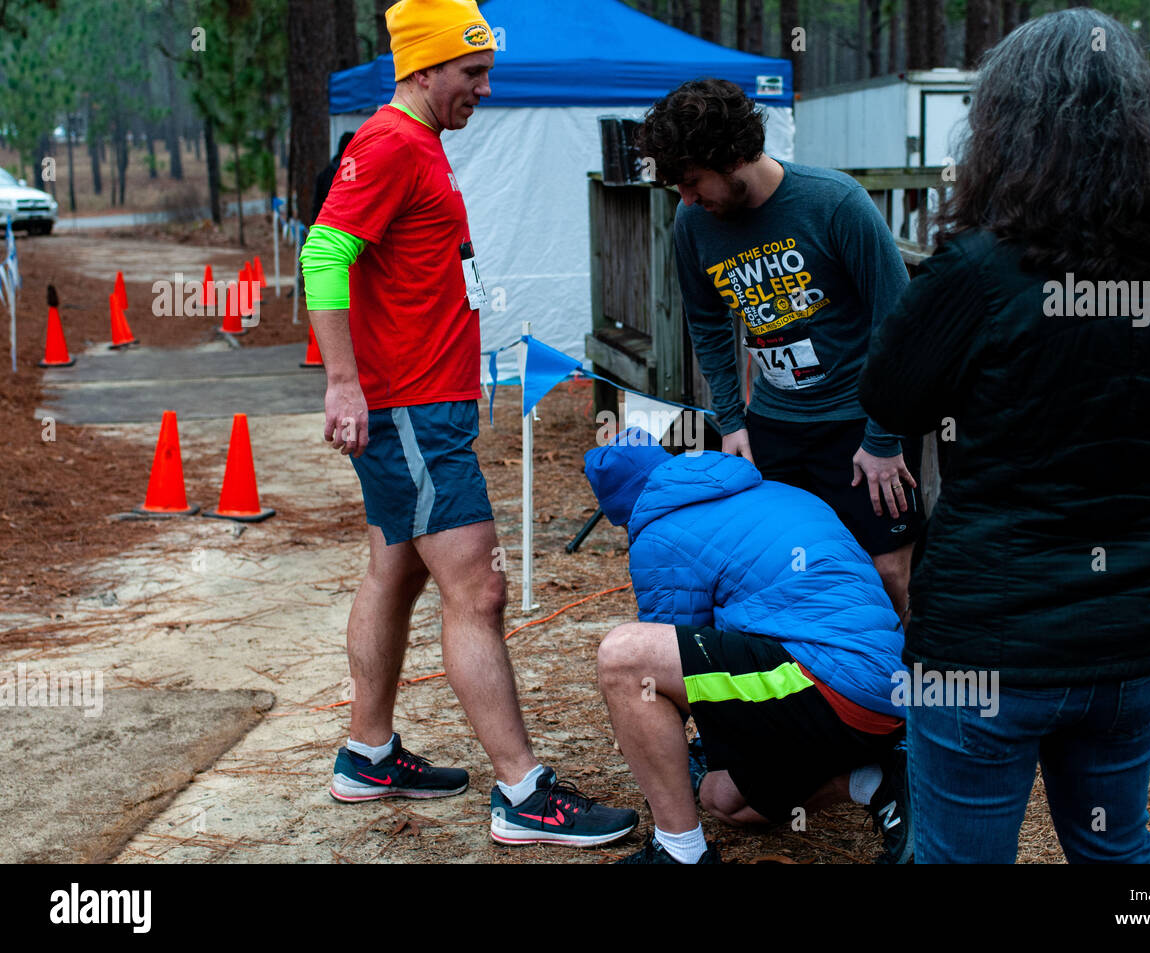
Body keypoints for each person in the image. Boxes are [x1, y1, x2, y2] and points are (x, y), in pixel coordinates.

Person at [857, 9, 1150, 863]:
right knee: (1118, 852)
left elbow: (890, 391)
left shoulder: (979, 270)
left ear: (1006, 128)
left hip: (988, 642)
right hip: (1123, 645)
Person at [299, 0, 637, 848]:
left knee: (396, 575)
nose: (485, 88)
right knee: (478, 590)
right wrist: (344, 382)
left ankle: (367, 753)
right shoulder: (387, 143)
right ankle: (523, 792)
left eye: (485, 72)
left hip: (422, 406)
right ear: (422, 67)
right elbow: (321, 253)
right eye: (472, 73)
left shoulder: (419, 144)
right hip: (410, 409)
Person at [636, 80, 919, 620]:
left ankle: (905, 698)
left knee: (887, 573)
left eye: (693, 182)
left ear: (736, 155)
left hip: (858, 425)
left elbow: (899, 320)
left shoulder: (835, 202)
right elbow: (707, 323)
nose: (687, 199)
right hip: (774, 426)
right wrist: (732, 421)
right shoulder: (693, 223)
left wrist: (883, 437)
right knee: (785, 568)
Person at [585, 429, 911, 865]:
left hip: (827, 680)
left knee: (625, 658)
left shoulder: (659, 535)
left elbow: (673, 664)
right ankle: (879, 779)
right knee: (722, 798)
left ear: (623, 509)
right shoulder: (774, 490)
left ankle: (679, 852)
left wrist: (646, 736)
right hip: (887, 699)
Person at [311, 131, 354, 225]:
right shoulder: (352, 174)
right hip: (345, 229)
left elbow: (316, 208)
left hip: (325, 228)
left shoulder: (324, 174)